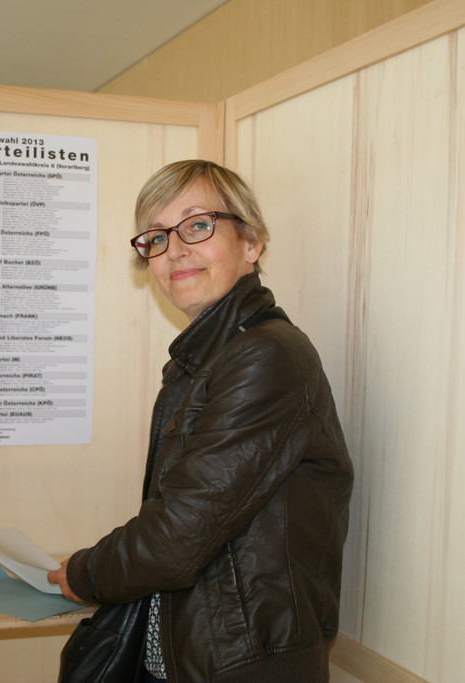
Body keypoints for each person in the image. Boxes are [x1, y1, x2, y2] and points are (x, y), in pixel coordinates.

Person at [48, 160, 354, 682]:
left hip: (241, 665)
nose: (175, 250)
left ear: (251, 243)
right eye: (157, 237)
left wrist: (83, 571)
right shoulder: (209, 357)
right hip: (191, 656)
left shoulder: (265, 357)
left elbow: (176, 537)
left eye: (197, 225)